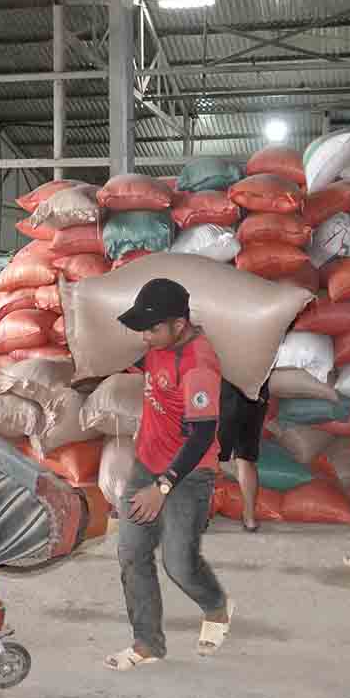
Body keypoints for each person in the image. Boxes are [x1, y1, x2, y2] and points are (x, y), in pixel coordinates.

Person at [104, 278, 234, 671]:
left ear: (179, 325)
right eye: (142, 328)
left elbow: (201, 435)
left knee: (178, 563)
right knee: (131, 553)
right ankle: (147, 644)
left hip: (189, 473)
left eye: (153, 328)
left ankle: (215, 605)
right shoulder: (158, 345)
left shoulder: (198, 364)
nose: (145, 336)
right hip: (147, 463)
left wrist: (162, 488)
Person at [217, 379, 268, 532]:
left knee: (211, 458)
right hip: (255, 392)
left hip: (226, 389)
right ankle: (250, 518)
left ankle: (201, 517)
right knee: (246, 458)